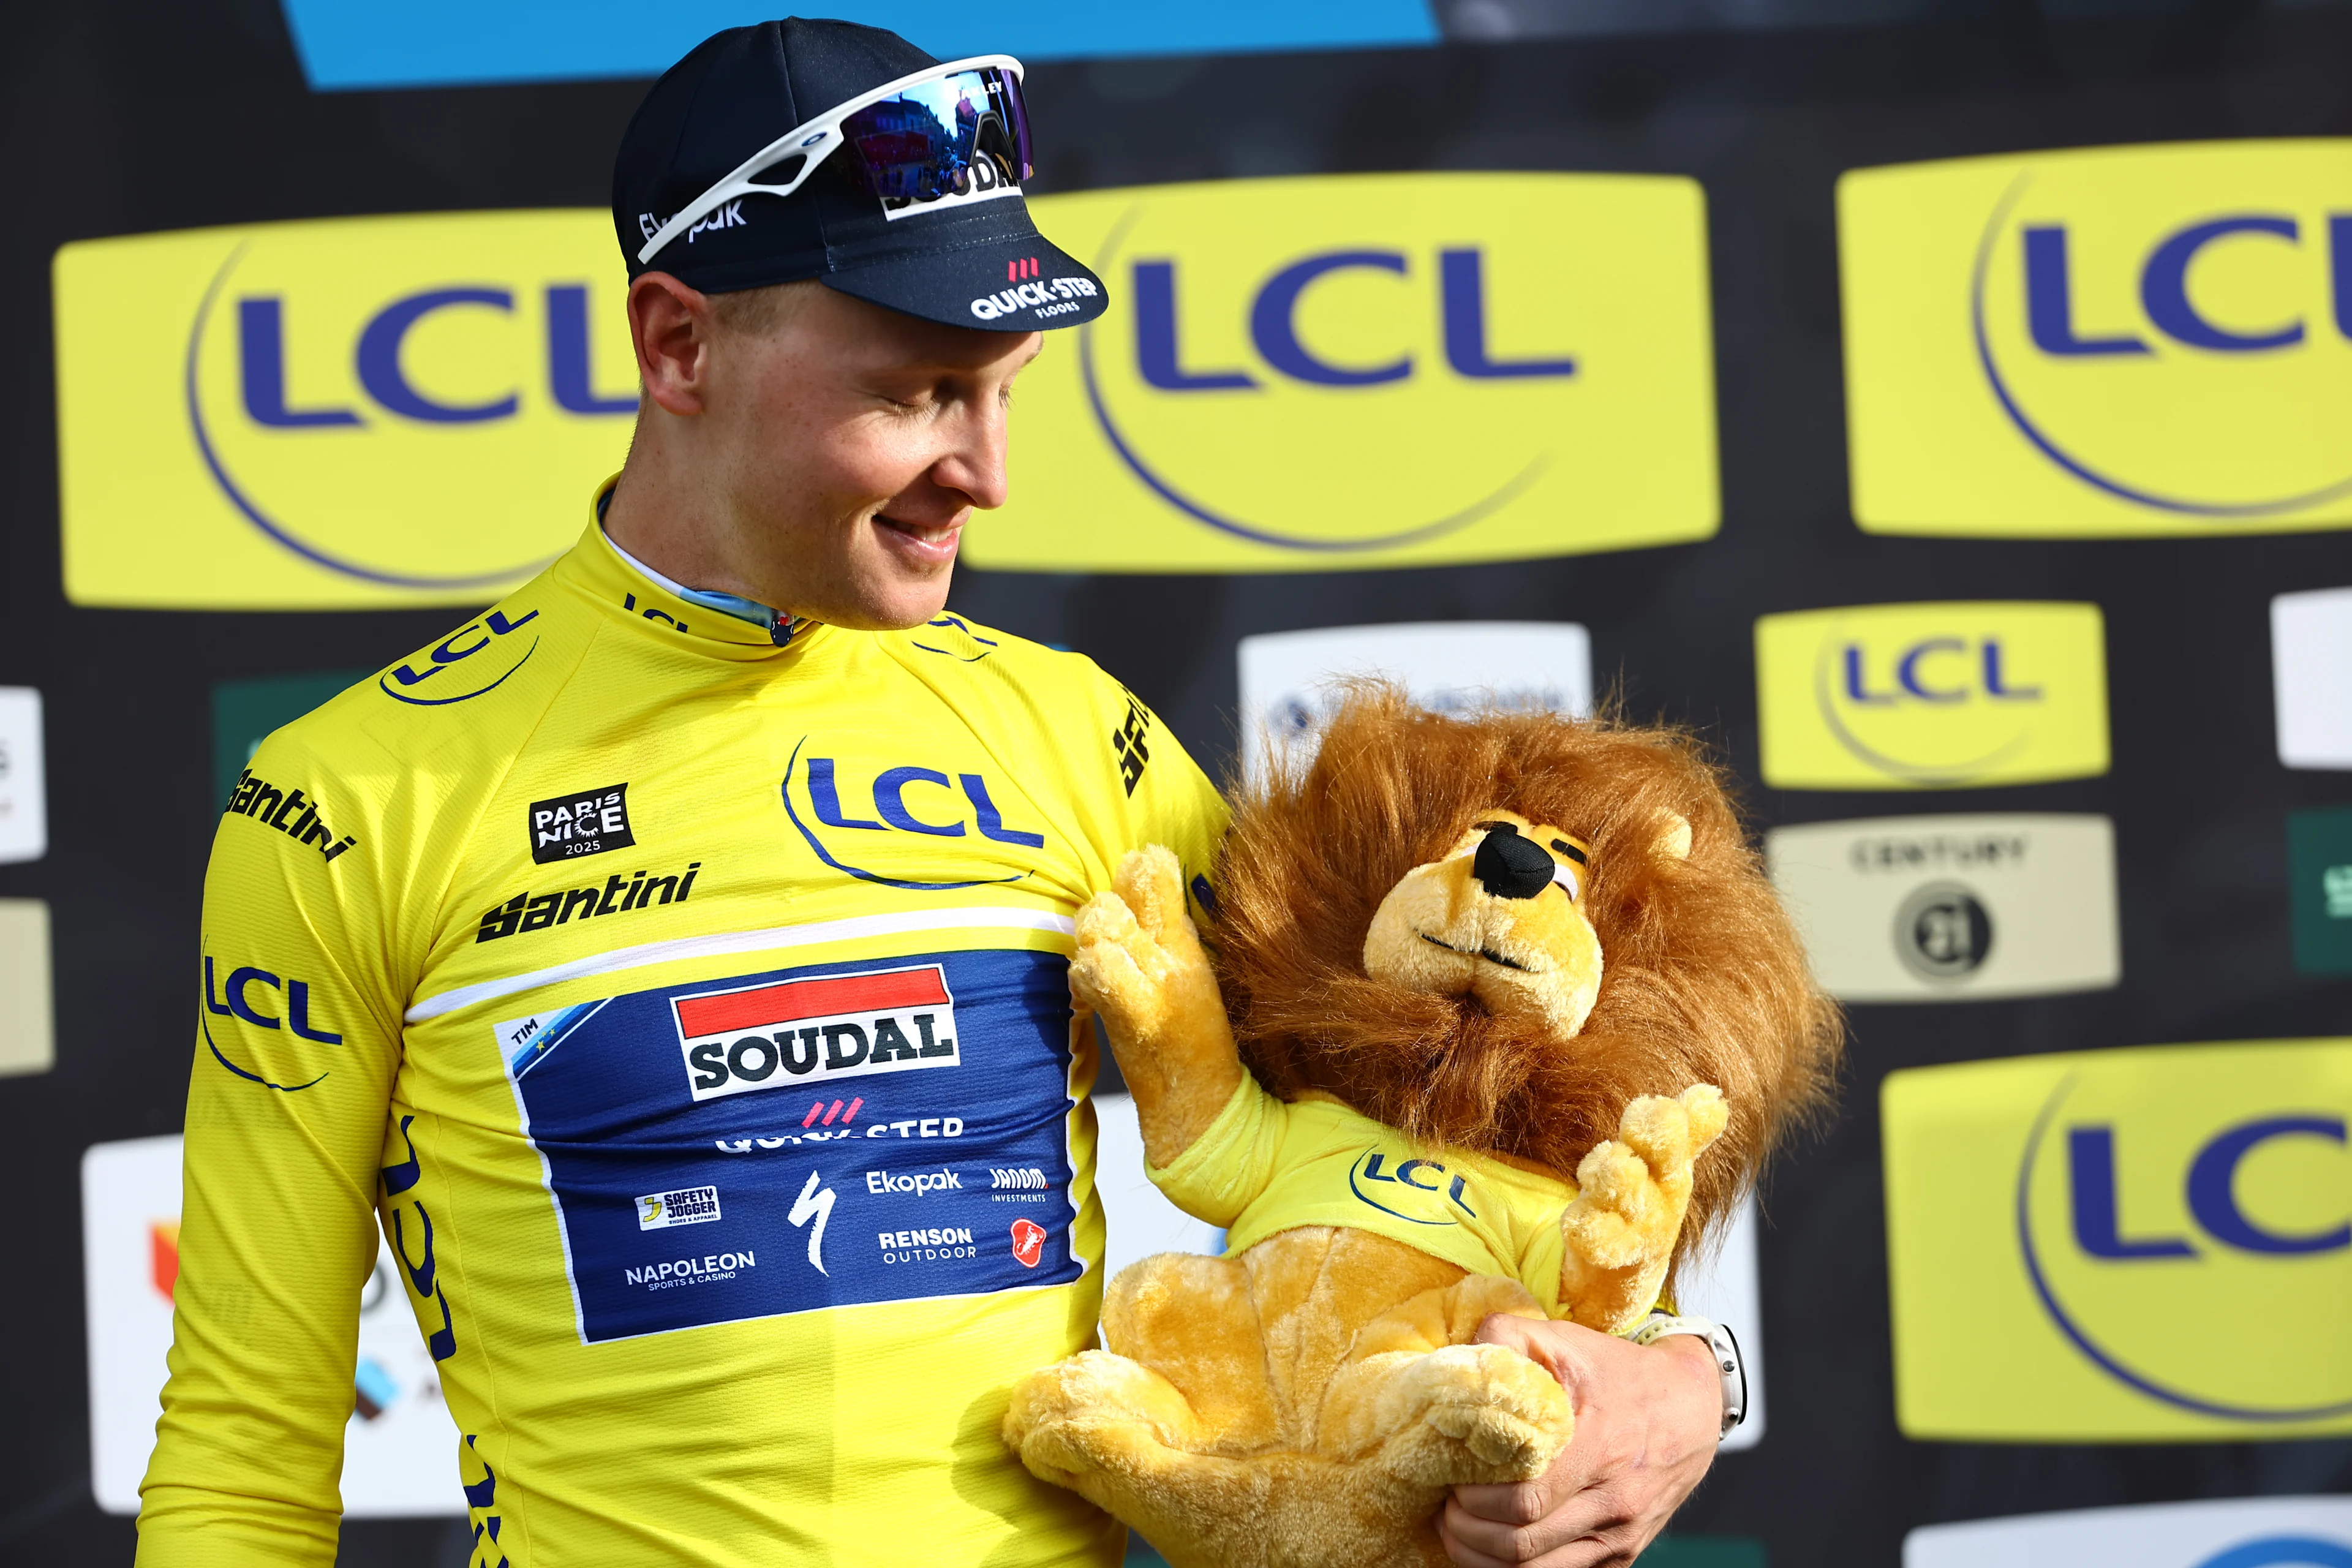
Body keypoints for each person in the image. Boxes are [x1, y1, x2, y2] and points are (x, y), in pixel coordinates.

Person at [137, 18, 1725, 1567]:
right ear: (677, 343)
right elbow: (242, 1447)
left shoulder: (1071, 738)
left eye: (1006, 386)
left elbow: (1454, 1135)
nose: (987, 471)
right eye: (914, 393)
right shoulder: (349, 798)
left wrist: (1686, 1382)